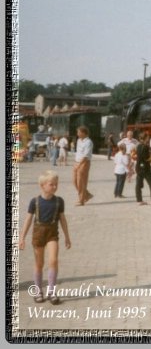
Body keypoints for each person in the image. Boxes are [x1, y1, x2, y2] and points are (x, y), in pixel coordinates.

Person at [19, 170, 71, 304]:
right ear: (42, 185)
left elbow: (63, 219)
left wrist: (67, 236)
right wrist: (22, 237)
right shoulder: (35, 201)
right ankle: (38, 291)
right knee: (39, 263)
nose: (55, 186)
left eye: (56, 184)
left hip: (52, 235)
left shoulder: (59, 201)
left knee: (53, 261)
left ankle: (52, 292)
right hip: (38, 235)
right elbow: (28, 220)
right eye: (51, 184)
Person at [133, 133, 151, 206]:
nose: (149, 139)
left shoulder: (138, 146)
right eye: (148, 137)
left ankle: (139, 201)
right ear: (145, 138)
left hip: (138, 167)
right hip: (145, 168)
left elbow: (139, 157)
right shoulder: (145, 147)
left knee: (138, 184)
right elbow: (146, 159)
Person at [72, 127, 93, 206]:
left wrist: (80, 164)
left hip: (84, 163)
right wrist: (75, 162)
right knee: (74, 181)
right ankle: (87, 195)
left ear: (83, 133)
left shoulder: (88, 142)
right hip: (76, 161)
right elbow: (78, 152)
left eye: (79, 132)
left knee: (81, 182)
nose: (77, 134)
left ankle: (81, 200)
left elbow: (86, 155)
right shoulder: (78, 140)